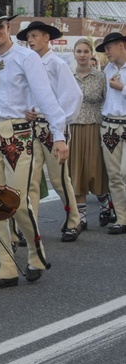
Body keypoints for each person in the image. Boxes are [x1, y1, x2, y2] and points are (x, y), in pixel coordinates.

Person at [0, 8, 70, 289]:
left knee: (17, 203)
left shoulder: (27, 57)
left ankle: (35, 252)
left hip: (18, 135)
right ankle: (6, 265)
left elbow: (46, 97)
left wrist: (59, 135)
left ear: (8, 27)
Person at [16, 21, 83, 242]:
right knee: (31, 180)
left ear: (47, 37)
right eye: (29, 37)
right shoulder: (26, 62)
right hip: (31, 127)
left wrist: (60, 122)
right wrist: (27, 111)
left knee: (59, 178)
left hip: (53, 127)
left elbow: (73, 96)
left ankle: (74, 219)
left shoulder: (56, 64)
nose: (31, 40)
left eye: (35, 35)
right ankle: (31, 227)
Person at [70, 38, 114, 229]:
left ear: (91, 54)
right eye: (78, 51)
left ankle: (105, 205)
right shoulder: (68, 77)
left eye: (85, 51)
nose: (82, 55)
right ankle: (82, 217)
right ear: (74, 54)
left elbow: (109, 101)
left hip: (96, 125)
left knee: (96, 171)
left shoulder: (100, 77)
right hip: (74, 127)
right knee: (77, 172)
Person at [96, 32, 126, 234]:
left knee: (125, 172)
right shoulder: (106, 70)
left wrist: (121, 87)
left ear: (122, 46)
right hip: (109, 126)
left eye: (109, 47)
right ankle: (122, 219)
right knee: (114, 175)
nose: (106, 52)